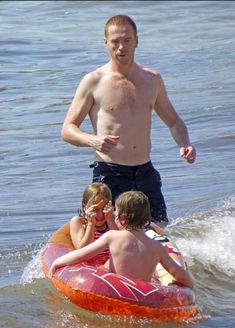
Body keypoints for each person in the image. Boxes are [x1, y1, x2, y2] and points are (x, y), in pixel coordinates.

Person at [61, 15, 196, 228]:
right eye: (115, 41)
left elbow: (174, 122)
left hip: (145, 171)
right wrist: (93, 140)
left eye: (127, 40)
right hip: (110, 172)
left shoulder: (152, 79)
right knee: (108, 234)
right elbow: (68, 129)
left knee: (159, 229)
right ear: (105, 42)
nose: (121, 47)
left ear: (136, 41)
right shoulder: (93, 81)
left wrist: (185, 144)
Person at [49, 191, 193, 289]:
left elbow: (81, 255)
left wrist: (56, 262)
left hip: (114, 290)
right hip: (143, 296)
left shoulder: (112, 236)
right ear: (147, 219)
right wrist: (185, 290)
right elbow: (181, 275)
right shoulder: (157, 247)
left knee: (104, 267)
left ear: (122, 219)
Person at [70, 183, 118, 254]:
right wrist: (90, 224)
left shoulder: (113, 220)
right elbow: (81, 250)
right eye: (95, 209)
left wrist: (110, 220)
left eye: (104, 208)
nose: (100, 214)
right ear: (84, 207)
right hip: (89, 263)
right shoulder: (79, 222)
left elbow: (121, 244)